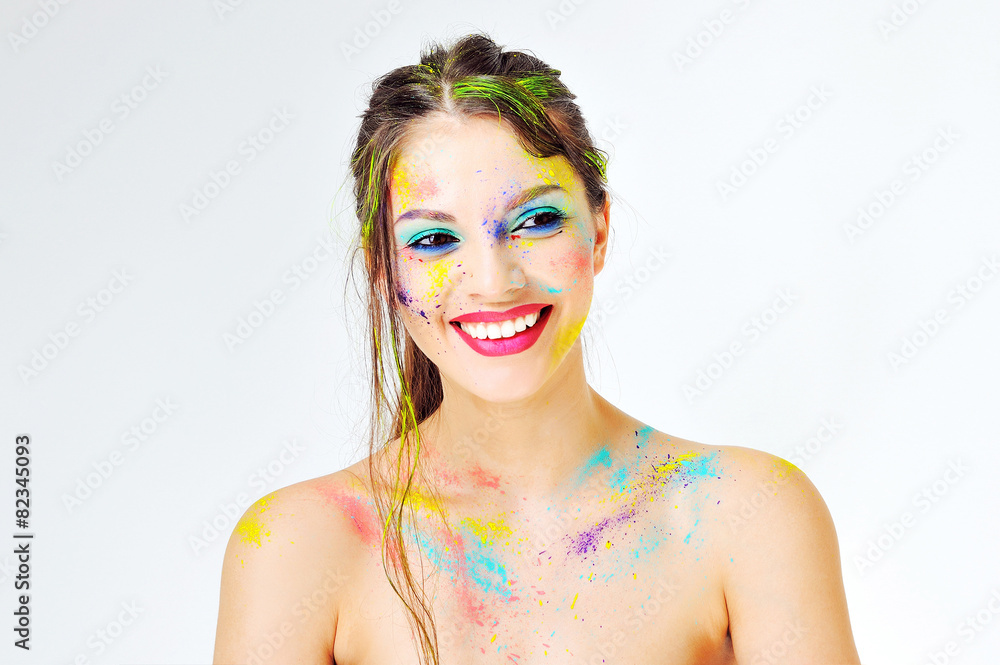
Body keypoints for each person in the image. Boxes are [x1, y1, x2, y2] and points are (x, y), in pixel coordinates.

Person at [213, 32, 862, 665]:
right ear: (383, 266)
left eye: (537, 220)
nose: (494, 282)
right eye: (435, 240)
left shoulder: (747, 514)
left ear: (600, 229)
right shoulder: (296, 546)